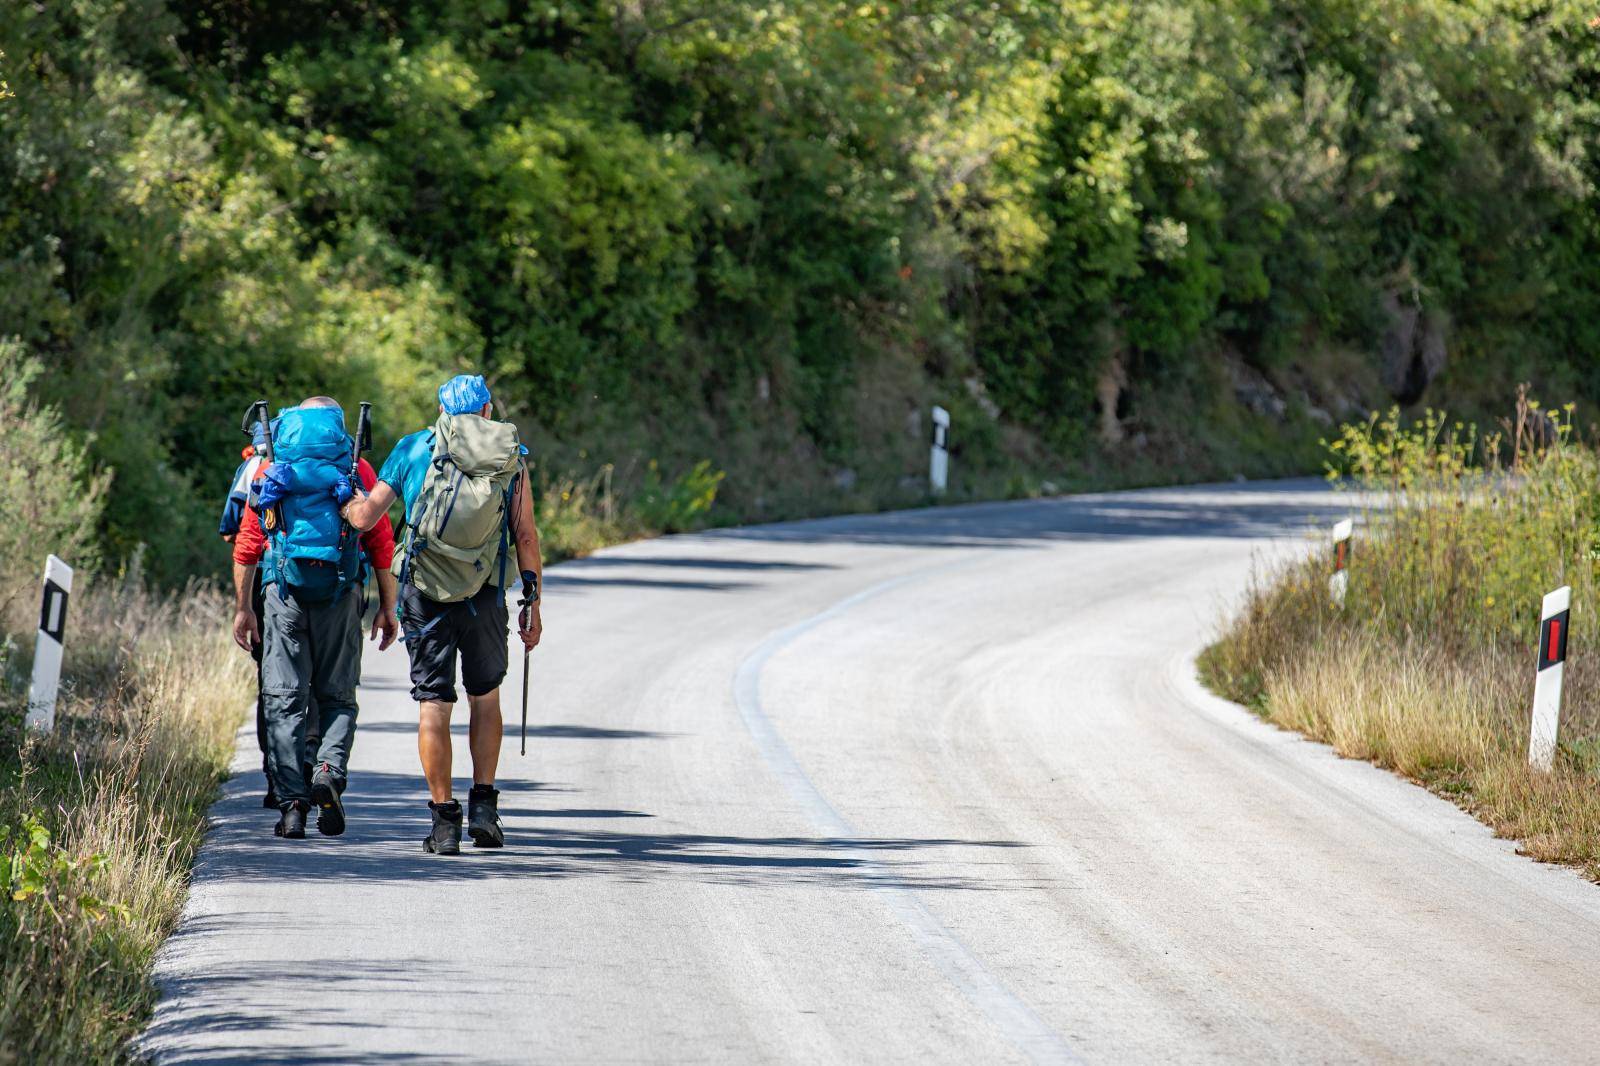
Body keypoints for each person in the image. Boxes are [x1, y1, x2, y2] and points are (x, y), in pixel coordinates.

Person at [342, 374, 543, 855]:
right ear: (487, 411)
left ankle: (443, 823)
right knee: (486, 698)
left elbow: (368, 518)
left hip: (425, 594)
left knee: (434, 705)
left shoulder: (415, 447)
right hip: (486, 593)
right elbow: (527, 536)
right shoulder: (510, 458)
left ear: (442, 412)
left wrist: (350, 504)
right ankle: (485, 809)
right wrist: (532, 604)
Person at [232, 397, 399, 839]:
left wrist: (243, 607)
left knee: (283, 699)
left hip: (282, 595)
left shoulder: (274, 469)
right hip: (340, 595)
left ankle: (291, 806)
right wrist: (387, 605)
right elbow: (380, 540)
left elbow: (249, 543)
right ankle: (327, 770)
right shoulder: (355, 470)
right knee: (338, 697)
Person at [220, 422, 277, 807]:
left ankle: (276, 775)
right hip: (315, 585)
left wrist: (243, 605)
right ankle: (310, 766)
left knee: (271, 681)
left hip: (261, 587)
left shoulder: (252, 468)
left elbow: (232, 532)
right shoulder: (326, 460)